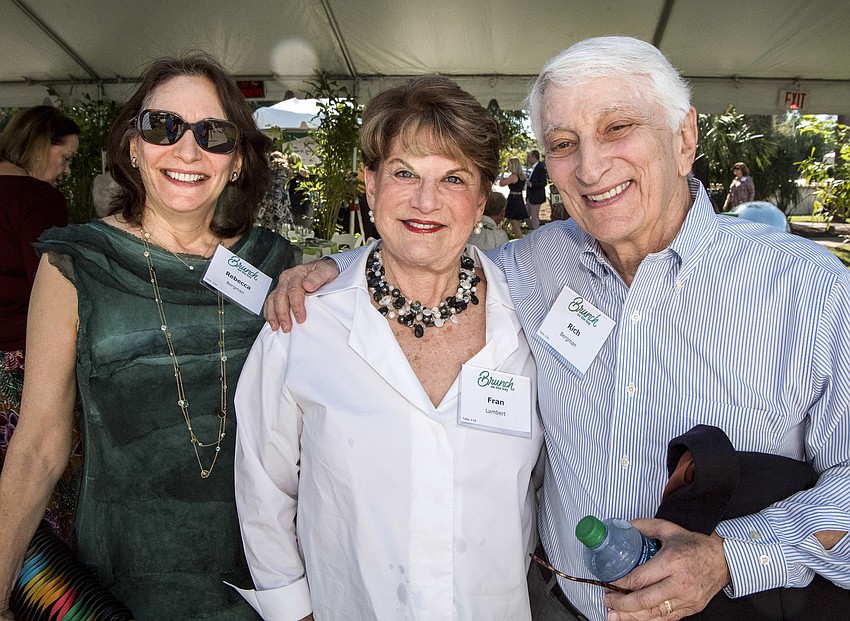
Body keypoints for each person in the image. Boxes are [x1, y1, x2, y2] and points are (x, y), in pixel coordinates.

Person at [264, 36, 850, 621]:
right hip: (559, 606)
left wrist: (730, 557)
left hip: (732, 608)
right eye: (564, 143)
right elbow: (428, 252)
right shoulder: (535, 266)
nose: (591, 168)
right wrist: (332, 270)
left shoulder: (807, 287)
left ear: (685, 137)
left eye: (618, 128)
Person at [0, 53, 299, 620]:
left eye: (213, 134)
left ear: (236, 161)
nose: (188, 151)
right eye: (164, 127)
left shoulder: (274, 263)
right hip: (121, 581)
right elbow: (38, 446)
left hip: (264, 577)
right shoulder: (75, 262)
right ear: (133, 148)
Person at [233, 75, 543, 620]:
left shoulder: (529, 320)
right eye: (405, 173)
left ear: (480, 201)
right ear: (370, 185)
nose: (427, 201)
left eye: (453, 178)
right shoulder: (305, 321)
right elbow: (263, 484)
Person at [0, 106, 81, 542]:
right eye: (65, 157)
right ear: (38, 143)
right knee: (35, 502)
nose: (66, 170)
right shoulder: (38, 198)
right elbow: (48, 291)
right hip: (17, 366)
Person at [500, 156, 528, 237]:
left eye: (509, 164)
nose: (508, 166)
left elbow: (501, 184)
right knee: (516, 224)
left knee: (514, 224)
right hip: (519, 199)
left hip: (514, 200)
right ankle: (516, 238)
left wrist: (502, 173)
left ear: (514, 165)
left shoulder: (514, 176)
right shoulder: (521, 176)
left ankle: (520, 241)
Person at [525, 149, 547, 230]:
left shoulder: (540, 168)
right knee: (525, 215)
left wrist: (532, 184)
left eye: (529, 157)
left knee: (534, 218)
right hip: (530, 197)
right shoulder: (533, 168)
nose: (528, 159)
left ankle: (536, 234)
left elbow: (543, 182)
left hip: (536, 197)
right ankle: (533, 231)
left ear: (534, 157)